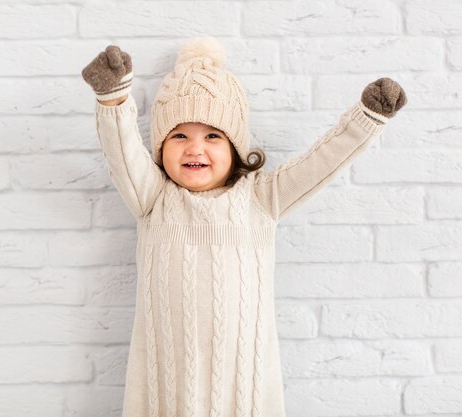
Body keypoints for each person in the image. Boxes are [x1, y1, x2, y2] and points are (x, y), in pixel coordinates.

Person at [82, 36, 407, 417]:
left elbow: (321, 163)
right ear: (160, 148)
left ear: (235, 146)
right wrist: (114, 101)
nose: (195, 148)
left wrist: (366, 118)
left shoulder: (261, 198)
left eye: (213, 136)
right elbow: (122, 153)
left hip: (243, 383)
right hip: (166, 384)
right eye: (179, 135)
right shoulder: (153, 198)